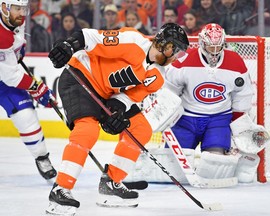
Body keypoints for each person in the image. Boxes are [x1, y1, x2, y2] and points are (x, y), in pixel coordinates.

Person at [45, 23, 189, 214]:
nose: (176, 56)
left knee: (140, 129)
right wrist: (69, 46)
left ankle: (111, 184)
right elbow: (90, 37)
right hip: (80, 76)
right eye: (175, 49)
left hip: (106, 94)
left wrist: (116, 112)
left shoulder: (158, 75)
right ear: (164, 44)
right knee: (88, 130)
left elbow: (128, 97)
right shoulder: (133, 41)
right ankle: (61, 188)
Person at [163, 23, 259, 183]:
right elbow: (170, 88)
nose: (214, 52)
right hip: (186, 119)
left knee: (215, 166)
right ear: (202, 43)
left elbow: (243, 93)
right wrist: (169, 111)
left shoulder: (235, 62)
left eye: (218, 47)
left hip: (218, 120)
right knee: (174, 170)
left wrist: (239, 120)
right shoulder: (185, 60)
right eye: (210, 47)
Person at [0, 0, 57, 180]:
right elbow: (12, 76)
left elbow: (16, 43)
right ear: (3, 8)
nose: (22, 13)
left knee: (27, 117)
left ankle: (42, 157)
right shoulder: (1, 36)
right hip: (7, 77)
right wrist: (37, 88)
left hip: (4, 82)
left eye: (23, 9)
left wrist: (19, 50)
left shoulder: (15, 19)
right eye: (17, 9)